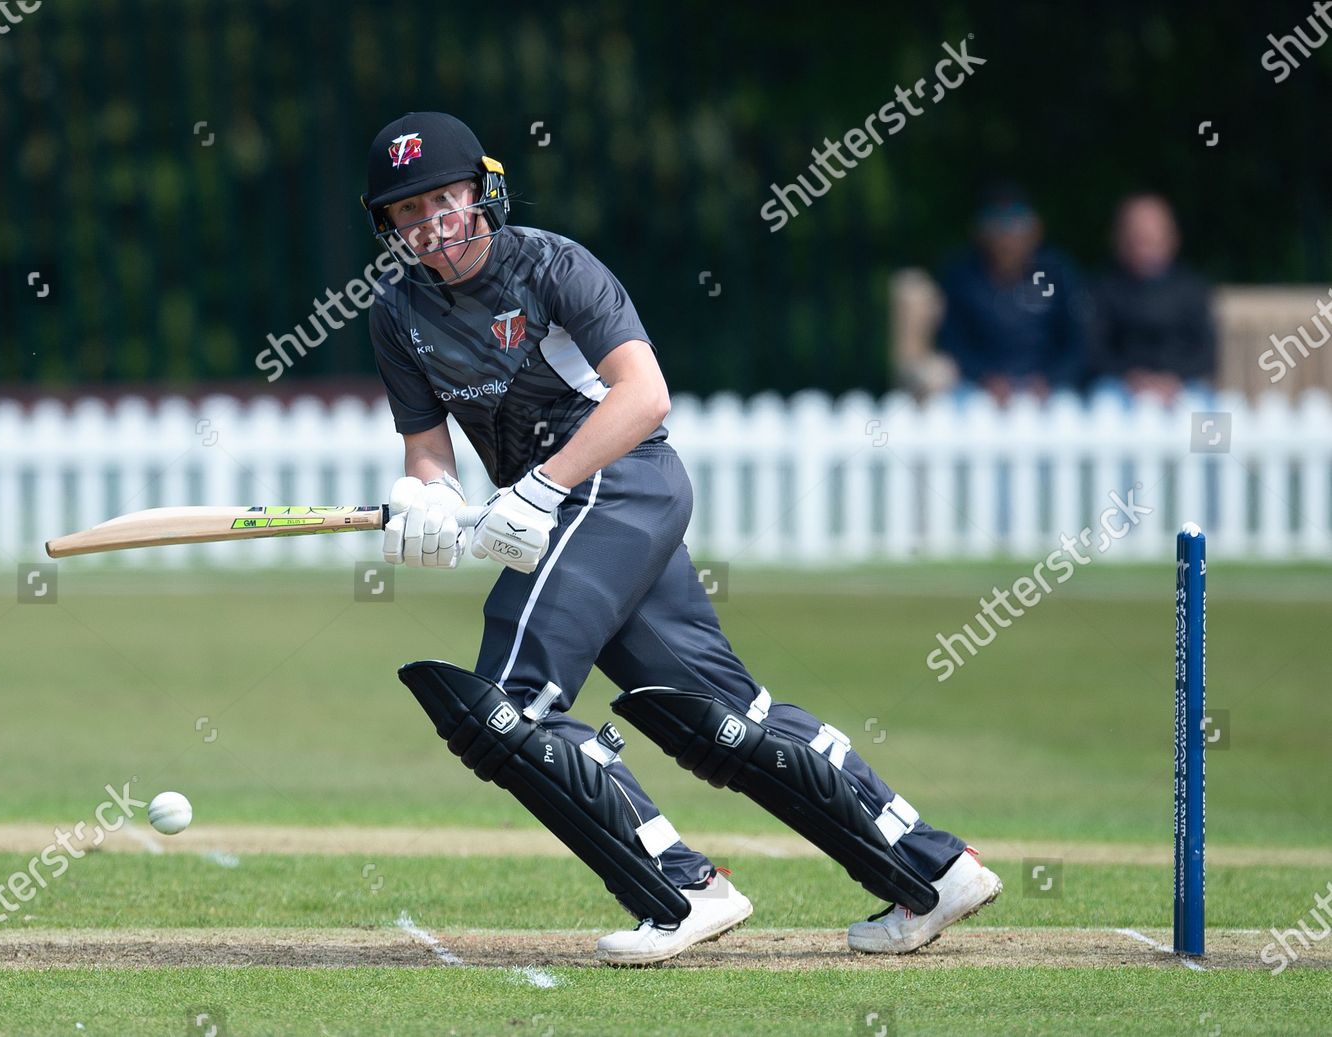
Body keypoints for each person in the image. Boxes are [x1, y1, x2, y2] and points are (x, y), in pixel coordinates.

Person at [362, 112, 1001, 964]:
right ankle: (933, 868)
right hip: (572, 512)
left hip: (619, 482)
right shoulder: (397, 311)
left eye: (443, 199)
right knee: (716, 718)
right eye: (408, 211)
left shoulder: (552, 265)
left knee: (508, 705)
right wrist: (429, 500)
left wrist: (540, 488)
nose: (431, 224)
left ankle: (681, 888)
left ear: (481, 192)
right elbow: (428, 450)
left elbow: (645, 395)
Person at [936, 185, 1088, 403]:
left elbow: (1076, 340)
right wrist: (983, 377)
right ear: (980, 231)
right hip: (979, 389)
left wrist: (1052, 379)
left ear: (1035, 229)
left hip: (1048, 390)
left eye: (1017, 223)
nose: (1007, 235)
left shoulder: (1051, 274)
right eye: (996, 223)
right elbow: (952, 342)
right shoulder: (964, 279)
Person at [1089, 194, 1216, 403]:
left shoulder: (1192, 288)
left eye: (1151, 238)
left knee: (1211, 413)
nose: (1144, 246)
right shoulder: (1103, 289)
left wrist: (1173, 379)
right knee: (1103, 402)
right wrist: (1132, 378)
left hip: (1183, 386)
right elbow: (1095, 351)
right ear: (1120, 240)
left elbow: (1206, 354)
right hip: (1121, 386)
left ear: (1172, 239)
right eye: (1137, 238)